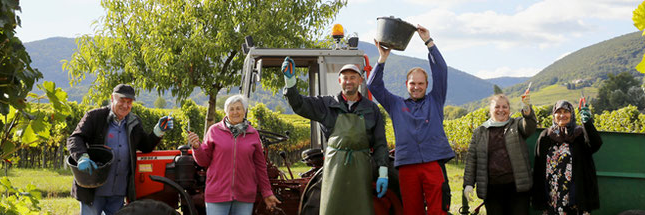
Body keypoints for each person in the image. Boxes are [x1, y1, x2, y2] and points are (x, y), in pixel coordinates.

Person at [282, 57, 391, 215]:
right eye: (345, 78)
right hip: (334, 169)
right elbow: (299, 104)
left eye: (353, 77)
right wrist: (290, 81)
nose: (349, 81)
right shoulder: (326, 104)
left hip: (361, 170)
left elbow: (380, 143)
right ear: (339, 81)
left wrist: (383, 173)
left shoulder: (372, 109)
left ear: (360, 80)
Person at [368, 25, 454, 215]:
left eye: (420, 83)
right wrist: (382, 58)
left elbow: (441, 70)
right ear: (406, 84)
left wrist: (428, 42)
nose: (416, 87)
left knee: (438, 210)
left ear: (427, 85)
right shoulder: (395, 104)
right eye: (413, 83)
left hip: (433, 162)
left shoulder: (435, 99)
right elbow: (373, 85)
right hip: (407, 165)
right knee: (412, 211)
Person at [67, 84, 174, 215]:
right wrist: (82, 157)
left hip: (118, 192)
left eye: (129, 102)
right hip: (93, 189)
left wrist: (158, 131)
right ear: (112, 98)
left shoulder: (134, 122)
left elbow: (145, 146)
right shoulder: (95, 117)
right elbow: (75, 138)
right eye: (122, 101)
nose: (125, 105)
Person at [185, 95, 281, 215]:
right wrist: (197, 147)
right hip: (217, 194)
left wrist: (267, 193)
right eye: (231, 109)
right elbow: (203, 161)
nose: (235, 112)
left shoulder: (253, 134)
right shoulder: (214, 131)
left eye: (238, 108)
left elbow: (260, 166)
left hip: (244, 196)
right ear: (226, 112)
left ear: (244, 111)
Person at [463, 93, 537, 215]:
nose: (501, 110)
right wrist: (468, 184)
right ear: (490, 110)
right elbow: (472, 160)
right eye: (497, 107)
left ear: (509, 109)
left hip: (517, 188)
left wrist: (527, 110)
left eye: (504, 107)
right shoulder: (480, 132)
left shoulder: (517, 125)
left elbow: (529, 127)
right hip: (492, 190)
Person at [531, 100, 603, 214]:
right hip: (552, 196)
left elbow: (596, 144)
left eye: (566, 112)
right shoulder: (546, 136)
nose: (562, 115)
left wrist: (587, 123)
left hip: (576, 196)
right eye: (558, 112)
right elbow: (538, 166)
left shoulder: (579, 134)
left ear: (572, 114)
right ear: (553, 115)